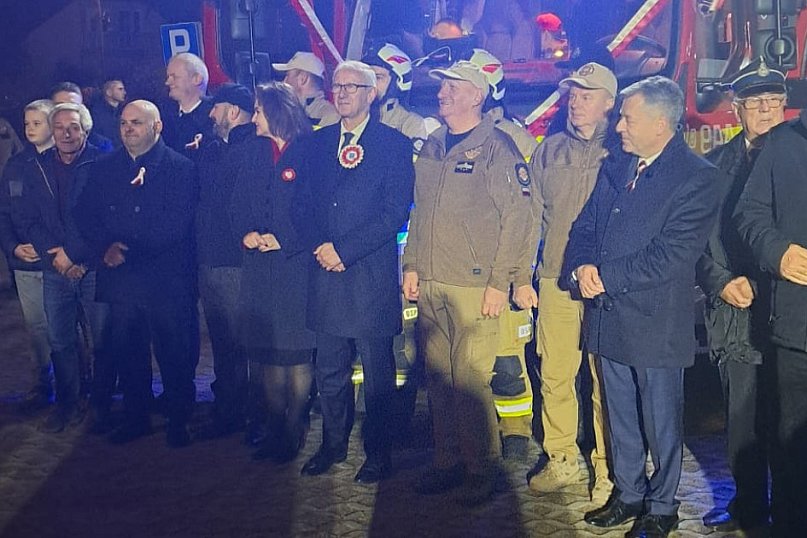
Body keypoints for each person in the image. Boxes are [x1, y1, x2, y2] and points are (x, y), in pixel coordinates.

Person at [565, 76, 719, 538]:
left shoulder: (697, 177)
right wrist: (580, 267)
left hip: (655, 322)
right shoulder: (617, 168)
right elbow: (584, 228)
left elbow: (671, 255)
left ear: (659, 123)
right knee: (620, 417)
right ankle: (628, 494)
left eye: (627, 118)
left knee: (660, 421)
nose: (619, 128)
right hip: (609, 317)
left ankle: (662, 506)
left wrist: (604, 277)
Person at [402, 61, 534, 505]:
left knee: (471, 379)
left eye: (453, 88)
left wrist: (502, 282)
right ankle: (447, 461)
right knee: (439, 377)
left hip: (475, 287)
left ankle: (482, 468)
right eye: (442, 87)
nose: (442, 94)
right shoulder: (434, 144)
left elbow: (519, 217)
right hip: (434, 281)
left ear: (477, 95)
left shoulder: (496, 148)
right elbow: (420, 212)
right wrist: (412, 264)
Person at [297, 61, 414, 484]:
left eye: (352, 86)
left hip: (366, 275)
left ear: (372, 93)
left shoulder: (394, 145)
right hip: (325, 274)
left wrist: (344, 250)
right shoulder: (317, 143)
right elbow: (303, 203)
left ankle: (379, 452)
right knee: (329, 369)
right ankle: (332, 444)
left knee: (377, 372)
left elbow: (393, 212)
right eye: (337, 86)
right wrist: (319, 246)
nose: (342, 92)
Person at [74, 100, 199, 448]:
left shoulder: (181, 168)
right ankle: (136, 417)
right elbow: (85, 214)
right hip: (121, 281)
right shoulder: (104, 168)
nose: (128, 129)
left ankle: (178, 419)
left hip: (166, 280)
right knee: (128, 354)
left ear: (157, 127)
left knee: (174, 354)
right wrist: (104, 249)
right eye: (124, 123)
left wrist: (126, 248)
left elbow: (177, 224)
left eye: (137, 123)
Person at [696, 57, 787, 534]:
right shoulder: (714, 168)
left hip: (789, 314)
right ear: (737, 109)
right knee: (743, 422)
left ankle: (792, 508)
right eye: (757, 103)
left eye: (776, 102)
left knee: (789, 421)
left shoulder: (800, 161)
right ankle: (748, 505)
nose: (768, 111)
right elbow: (694, 239)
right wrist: (719, 281)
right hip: (734, 316)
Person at [526, 62, 616, 503]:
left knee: (605, 378)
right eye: (572, 94)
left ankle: (606, 466)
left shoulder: (621, 150)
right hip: (555, 280)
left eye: (585, 95)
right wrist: (528, 271)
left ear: (608, 103)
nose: (575, 102)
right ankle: (561, 455)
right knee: (556, 374)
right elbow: (531, 215)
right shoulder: (549, 150)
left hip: (605, 285)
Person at [734, 72, 807, 538]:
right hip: (799, 327)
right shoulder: (783, 145)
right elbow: (748, 213)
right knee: (792, 445)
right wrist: (777, 251)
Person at [230, 82, 316, 463]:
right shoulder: (249, 151)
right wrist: (245, 231)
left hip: (295, 268)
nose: (253, 117)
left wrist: (286, 239)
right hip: (259, 268)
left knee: (295, 354)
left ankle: (295, 427)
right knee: (266, 353)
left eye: (259, 110)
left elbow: (318, 209)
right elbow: (235, 202)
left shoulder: (310, 151)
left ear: (277, 111)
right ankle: (274, 426)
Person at [17, 102, 111, 433]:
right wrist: (56, 256)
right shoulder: (36, 167)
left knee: (102, 341)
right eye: (60, 128)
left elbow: (105, 219)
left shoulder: (102, 164)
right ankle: (68, 405)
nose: (67, 134)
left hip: (92, 268)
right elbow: (28, 220)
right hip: (54, 269)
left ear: (85, 130)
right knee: (60, 341)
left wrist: (76, 256)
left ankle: (101, 406)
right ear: (52, 131)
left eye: (74, 127)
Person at [466, 47, 538, 461]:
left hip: (504, 269)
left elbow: (526, 216)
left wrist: (518, 275)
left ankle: (515, 433)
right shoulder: (449, 136)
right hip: (466, 271)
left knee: (508, 362)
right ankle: (478, 430)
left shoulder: (513, 139)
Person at [195, 83, 257, 439]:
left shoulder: (244, 149)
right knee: (224, 340)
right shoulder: (223, 148)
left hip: (231, 261)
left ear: (233, 111)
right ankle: (231, 407)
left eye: (215, 109)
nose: (211, 116)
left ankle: (236, 412)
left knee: (232, 341)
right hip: (216, 259)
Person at [0, 100, 54, 412]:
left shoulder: (62, 162)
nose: (29, 128)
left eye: (36, 122)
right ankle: (44, 384)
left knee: (65, 329)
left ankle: (77, 383)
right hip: (24, 264)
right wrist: (13, 247)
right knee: (36, 327)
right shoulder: (15, 165)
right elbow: (5, 212)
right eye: (27, 122)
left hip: (56, 262)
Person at [362, 42, 432, 154]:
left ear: (398, 82)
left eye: (378, 77)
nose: (371, 83)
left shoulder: (410, 124)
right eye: (367, 77)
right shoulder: (348, 114)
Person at [161, 53, 215, 156]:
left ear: (197, 79)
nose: (167, 82)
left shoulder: (215, 117)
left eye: (174, 77)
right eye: (168, 77)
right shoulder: (163, 115)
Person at [272, 52, 340, 129]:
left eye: (287, 76)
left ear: (303, 79)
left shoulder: (330, 115)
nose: (283, 82)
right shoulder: (288, 112)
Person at [49, 82, 114, 153]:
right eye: (60, 105)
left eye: (73, 105)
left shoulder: (102, 147)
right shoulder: (39, 143)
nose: (67, 110)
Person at [90, 79, 126, 147]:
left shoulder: (124, 112)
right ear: (109, 92)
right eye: (120, 89)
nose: (124, 92)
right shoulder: (96, 113)